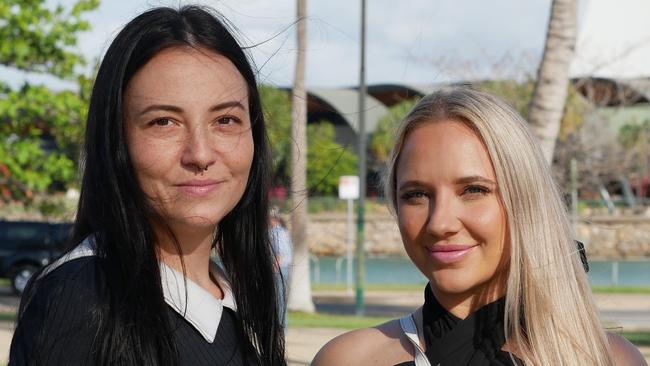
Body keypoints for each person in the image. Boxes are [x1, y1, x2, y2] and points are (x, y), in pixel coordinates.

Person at [9, 5, 285, 366]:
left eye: (226, 119)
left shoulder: (232, 303)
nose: (200, 154)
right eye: (164, 122)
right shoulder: (85, 297)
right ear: (116, 140)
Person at [313, 87, 646, 365]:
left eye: (473, 190)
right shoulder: (349, 359)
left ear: (525, 198)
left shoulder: (604, 358)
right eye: (416, 194)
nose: (440, 222)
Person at [269, 207, 293, 328]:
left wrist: (274, 269)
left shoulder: (277, 233)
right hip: (283, 269)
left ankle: (281, 329)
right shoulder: (282, 232)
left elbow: (280, 254)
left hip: (279, 270)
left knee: (279, 302)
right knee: (280, 301)